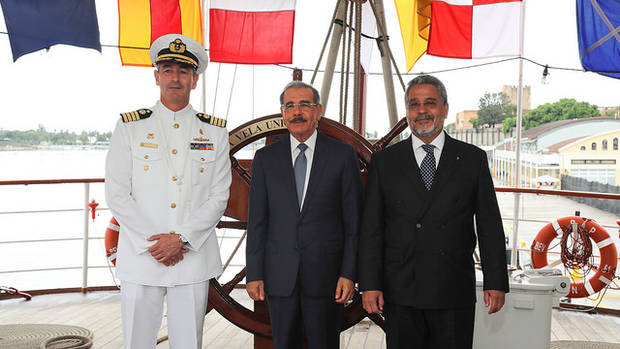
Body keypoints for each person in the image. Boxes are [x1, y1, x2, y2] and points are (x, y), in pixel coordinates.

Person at [358, 75, 509, 349]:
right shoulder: (385, 162)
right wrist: (369, 283)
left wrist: (495, 280)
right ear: (407, 112)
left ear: (445, 109)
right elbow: (371, 229)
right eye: (414, 104)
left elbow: (489, 225)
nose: (422, 111)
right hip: (401, 289)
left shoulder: (472, 159)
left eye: (430, 103)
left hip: (452, 289)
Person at [105, 34, 231, 349]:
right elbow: (117, 193)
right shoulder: (130, 126)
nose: (176, 77)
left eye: (183, 71)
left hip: (190, 257)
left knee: (189, 342)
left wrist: (180, 239)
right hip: (141, 255)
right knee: (137, 342)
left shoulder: (214, 131)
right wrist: (157, 243)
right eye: (168, 69)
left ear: (195, 79)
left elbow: (219, 196)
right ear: (157, 76)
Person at [245, 81, 362, 349]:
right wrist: (254, 273)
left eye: (304, 105)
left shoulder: (343, 156)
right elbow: (258, 221)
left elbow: (354, 223)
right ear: (282, 113)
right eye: (290, 106)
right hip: (279, 278)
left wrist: (349, 273)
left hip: (327, 279)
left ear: (318, 110)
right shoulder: (265, 159)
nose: (297, 112)